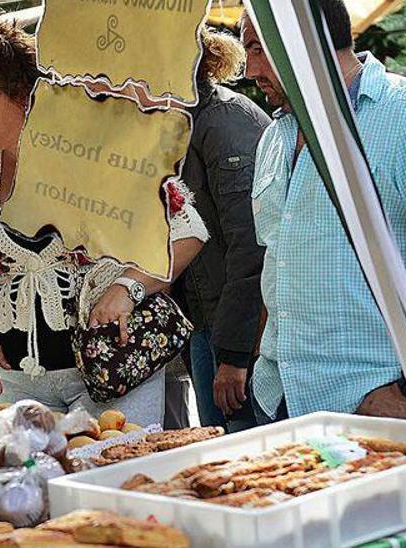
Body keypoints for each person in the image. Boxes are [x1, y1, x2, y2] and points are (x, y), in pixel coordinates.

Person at [0, 21, 207, 427]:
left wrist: (127, 289)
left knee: (112, 480)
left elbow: (186, 232)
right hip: (10, 385)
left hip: (110, 376)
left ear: (25, 95)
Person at [241, 0, 406, 424]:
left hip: (371, 403)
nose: (248, 70)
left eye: (257, 49)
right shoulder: (275, 135)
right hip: (278, 395)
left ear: (305, 38)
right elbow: (278, 260)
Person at [174, 27, 270, 432]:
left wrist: (235, 355)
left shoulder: (225, 121)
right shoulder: (181, 121)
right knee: (216, 441)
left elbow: (250, 244)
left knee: (244, 452)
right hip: (205, 321)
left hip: (232, 328)